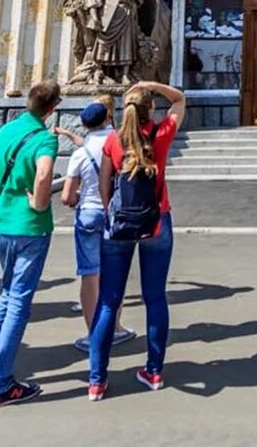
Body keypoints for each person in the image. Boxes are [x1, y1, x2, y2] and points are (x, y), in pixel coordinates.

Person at [87, 81, 186, 401]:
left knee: (108, 301)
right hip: (156, 222)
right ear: (151, 109)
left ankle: (97, 379)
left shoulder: (114, 141)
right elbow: (180, 99)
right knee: (155, 298)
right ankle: (154, 370)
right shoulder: (161, 134)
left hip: (117, 227)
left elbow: (105, 186)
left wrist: (111, 214)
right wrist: (152, 85)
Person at [0, 80, 62, 408]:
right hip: (29, 228)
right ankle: (1, 384)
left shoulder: (4, 132)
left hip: (0, 225)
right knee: (19, 303)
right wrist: (39, 204)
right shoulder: (43, 139)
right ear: (53, 108)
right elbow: (44, 175)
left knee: (7, 295)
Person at [61, 98, 135, 352]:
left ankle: (94, 334)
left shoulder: (81, 152)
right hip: (118, 214)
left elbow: (67, 196)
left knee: (90, 275)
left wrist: (78, 196)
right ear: (108, 118)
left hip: (89, 214)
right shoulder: (122, 141)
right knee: (115, 273)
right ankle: (116, 327)